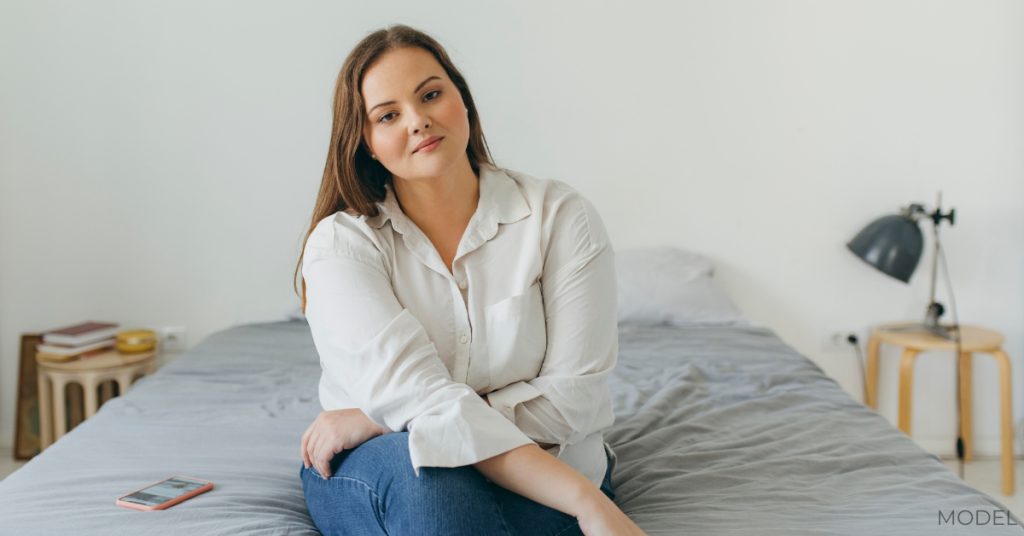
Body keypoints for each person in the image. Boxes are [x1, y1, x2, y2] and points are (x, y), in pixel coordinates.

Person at [293, 24, 645, 536]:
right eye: (388, 115)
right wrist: (588, 504)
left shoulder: (560, 217)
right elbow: (418, 399)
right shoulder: (341, 245)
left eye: (431, 94)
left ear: (464, 100)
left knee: (439, 475)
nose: (418, 121)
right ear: (365, 141)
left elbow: (574, 403)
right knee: (431, 480)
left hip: (552, 474)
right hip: (398, 472)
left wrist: (379, 416)